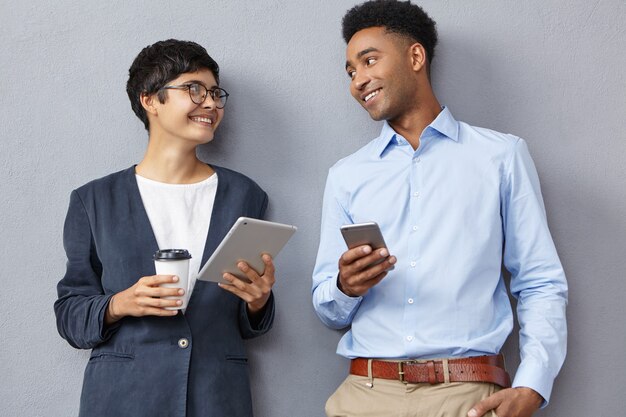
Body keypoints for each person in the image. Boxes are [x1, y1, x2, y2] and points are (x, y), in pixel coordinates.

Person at [312, 1, 568, 416]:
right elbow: (325, 306)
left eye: (368, 61)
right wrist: (345, 287)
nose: (358, 80)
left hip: (469, 397)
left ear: (416, 56)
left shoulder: (501, 157)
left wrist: (532, 386)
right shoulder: (346, 175)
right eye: (350, 71)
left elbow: (540, 283)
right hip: (364, 395)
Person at [54, 39, 276, 417]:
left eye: (215, 93)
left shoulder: (246, 196)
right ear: (150, 100)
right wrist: (119, 304)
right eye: (194, 89)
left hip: (217, 398)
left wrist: (257, 302)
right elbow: (70, 315)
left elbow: (244, 321)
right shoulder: (93, 201)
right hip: (123, 399)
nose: (210, 103)